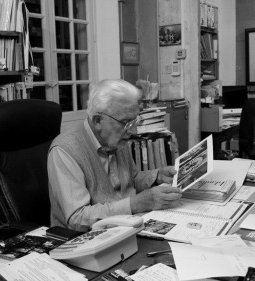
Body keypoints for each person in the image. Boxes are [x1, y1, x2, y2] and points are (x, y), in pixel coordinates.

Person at [47, 79, 182, 232]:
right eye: (126, 122)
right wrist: (137, 203)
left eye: (135, 121)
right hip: (84, 240)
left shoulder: (115, 138)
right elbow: (77, 218)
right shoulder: (65, 150)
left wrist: (156, 176)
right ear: (98, 120)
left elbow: (129, 180)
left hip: (125, 227)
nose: (133, 131)